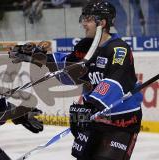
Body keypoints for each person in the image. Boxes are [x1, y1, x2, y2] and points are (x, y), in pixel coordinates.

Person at [8, 0, 143, 160]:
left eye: (88, 19)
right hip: (94, 117)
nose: (83, 24)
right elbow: (67, 70)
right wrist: (36, 58)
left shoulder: (118, 49)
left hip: (121, 121)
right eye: (83, 19)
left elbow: (116, 81)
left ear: (102, 22)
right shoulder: (85, 46)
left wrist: (91, 106)